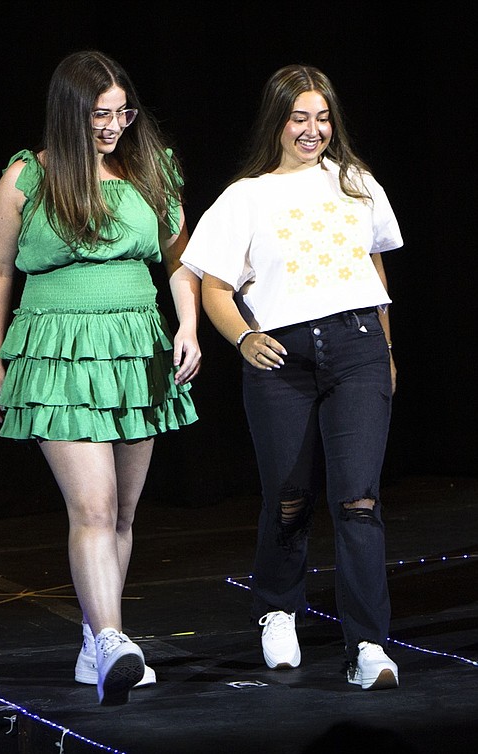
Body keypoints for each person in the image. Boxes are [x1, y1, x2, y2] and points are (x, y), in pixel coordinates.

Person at [0, 50, 201, 705]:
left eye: (122, 112)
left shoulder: (151, 166)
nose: (113, 126)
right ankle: (110, 640)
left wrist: (187, 326)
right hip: (59, 349)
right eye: (99, 114)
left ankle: (94, 643)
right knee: (94, 507)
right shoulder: (26, 177)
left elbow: (183, 259)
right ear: (69, 112)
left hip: (136, 347)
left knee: (124, 512)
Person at [180, 64, 402, 690]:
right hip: (284, 357)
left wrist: (384, 348)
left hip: (358, 346)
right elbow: (214, 285)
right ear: (277, 121)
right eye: (300, 117)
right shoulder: (245, 196)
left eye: (323, 117)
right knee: (290, 494)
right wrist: (245, 337)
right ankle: (278, 609)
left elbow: (375, 269)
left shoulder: (356, 182)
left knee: (358, 498)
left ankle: (368, 647)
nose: (313, 130)